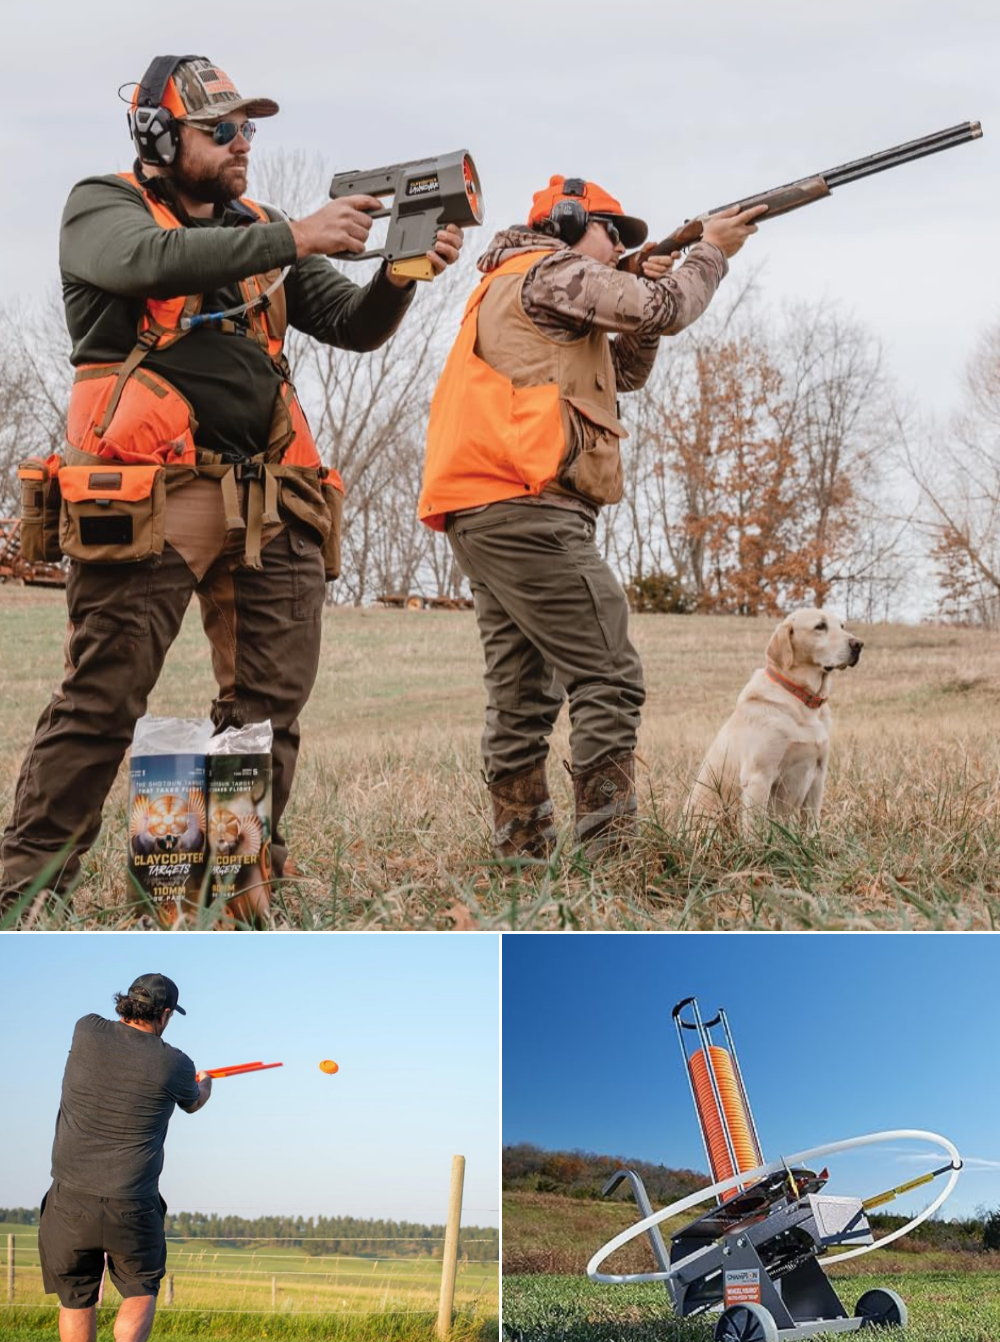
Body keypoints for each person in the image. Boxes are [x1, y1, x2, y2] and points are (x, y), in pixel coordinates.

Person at [0, 54, 463, 916]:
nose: (242, 142)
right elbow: (148, 262)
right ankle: (23, 893)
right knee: (102, 702)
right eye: (220, 130)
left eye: (247, 127)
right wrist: (299, 236)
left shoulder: (262, 227)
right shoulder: (101, 207)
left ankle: (232, 892)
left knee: (266, 713)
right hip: (148, 498)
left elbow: (351, 325)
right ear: (156, 136)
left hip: (269, 499)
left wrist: (401, 272)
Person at [418, 174, 763, 857]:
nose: (617, 248)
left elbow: (626, 369)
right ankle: (611, 856)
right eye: (611, 232)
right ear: (569, 223)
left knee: (521, 695)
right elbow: (666, 309)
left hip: (486, 508)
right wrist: (711, 252)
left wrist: (646, 289)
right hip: (527, 506)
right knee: (609, 674)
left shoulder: (523, 280)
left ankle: (522, 856)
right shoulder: (550, 270)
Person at [38, 973, 210, 1342]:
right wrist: (204, 1084)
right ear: (165, 1014)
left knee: (75, 1299)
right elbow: (193, 1102)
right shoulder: (175, 1063)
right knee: (140, 1289)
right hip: (132, 1203)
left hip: (69, 1199)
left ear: (127, 1002)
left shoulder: (86, 1030)